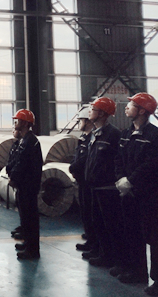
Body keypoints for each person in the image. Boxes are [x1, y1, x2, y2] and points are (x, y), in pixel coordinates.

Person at [114, 93, 158, 296]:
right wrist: (120, 179)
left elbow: (152, 165)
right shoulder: (126, 134)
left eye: (131, 104)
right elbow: (118, 159)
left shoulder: (155, 136)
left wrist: (131, 181)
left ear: (142, 110)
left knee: (156, 239)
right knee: (132, 232)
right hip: (128, 193)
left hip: (149, 196)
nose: (126, 107)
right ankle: (137, 271)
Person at [83, 97, 122, 269]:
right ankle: (102, 253)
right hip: (94, 186)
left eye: (93, 109)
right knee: (97, 223)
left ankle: (112, 258)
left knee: (110, 225)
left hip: (107, 188)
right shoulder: (95, 133)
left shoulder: (113, 134)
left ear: (102, 114)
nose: (89, 112)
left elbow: (118, 160)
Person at [6, 109, 42, 260]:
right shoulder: (25, 140)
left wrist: (14, 178)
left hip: (28, 186)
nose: (15, 123)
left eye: (18, 120)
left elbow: (22, 164)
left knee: (30, 218)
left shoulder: (29, 142)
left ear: (26, 123)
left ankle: (32, 250)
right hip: (24, 186)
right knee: (25, 218)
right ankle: (28, 244)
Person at [68, 106, 96, 255]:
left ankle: (94, 243)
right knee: (84, 212)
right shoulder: (83, 138)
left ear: (88, 121)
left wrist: (73, 167)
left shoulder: (93, 138)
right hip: (81, 181)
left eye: (81, 120)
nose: (79, 123)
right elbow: (77, 157)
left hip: (88, 181)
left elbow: (85, 159)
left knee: (91, 213)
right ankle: (90, 239)